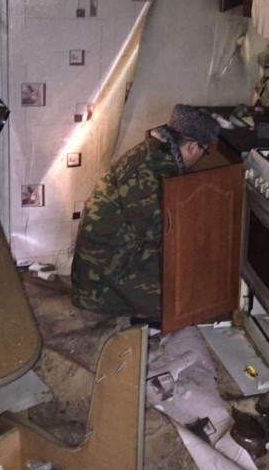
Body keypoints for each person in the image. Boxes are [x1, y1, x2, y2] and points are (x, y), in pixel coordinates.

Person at [71, 104, 221, 321]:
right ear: (192, 147)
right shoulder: (151, 174)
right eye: (203, 152)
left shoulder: (154, 152)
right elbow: (164, 235)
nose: (200, 158)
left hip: (107, 259)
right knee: (190, 295)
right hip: (100, 283)